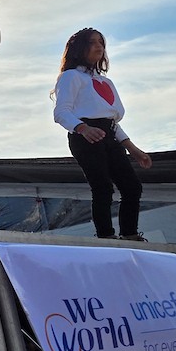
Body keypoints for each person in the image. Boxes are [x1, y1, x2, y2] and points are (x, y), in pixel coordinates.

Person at [52, 28, 153, 240]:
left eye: (101, 42)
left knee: (132, 186)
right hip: (85, 135)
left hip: (109, 134)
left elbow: (112, 122)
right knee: (103, 187)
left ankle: (130, 234)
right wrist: (83, 129)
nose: (99, 46)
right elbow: (61, 112)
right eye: (92, 42)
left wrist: (134, 150)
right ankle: (106, 236)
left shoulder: (106, 82)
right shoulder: (70, 76)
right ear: (80, 48)